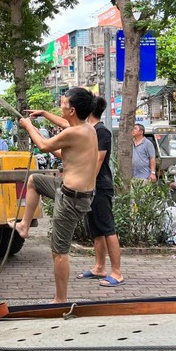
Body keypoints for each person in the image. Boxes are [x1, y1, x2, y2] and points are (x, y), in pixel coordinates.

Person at [14, 87, 98, 304]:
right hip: (68, 189)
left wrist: (29, 125)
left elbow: (42, 146)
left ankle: (60, 299)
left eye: (63, 103)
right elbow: (62, 135)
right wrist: (43, 114)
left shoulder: (75, 132)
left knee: (59, 251)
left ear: (71, 110)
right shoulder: (87, 128)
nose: (60, 104)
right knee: (34, 180)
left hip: (72, 198)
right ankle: (24, 225)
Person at [77, 96, 123, 287]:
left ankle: (117, 273)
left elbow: (98, 160)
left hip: (100, 186)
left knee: (107, 229)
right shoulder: (90, 130)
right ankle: (99, 268)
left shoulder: (102, 131)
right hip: (92, 185)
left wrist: (90, 184)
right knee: (96, 229)